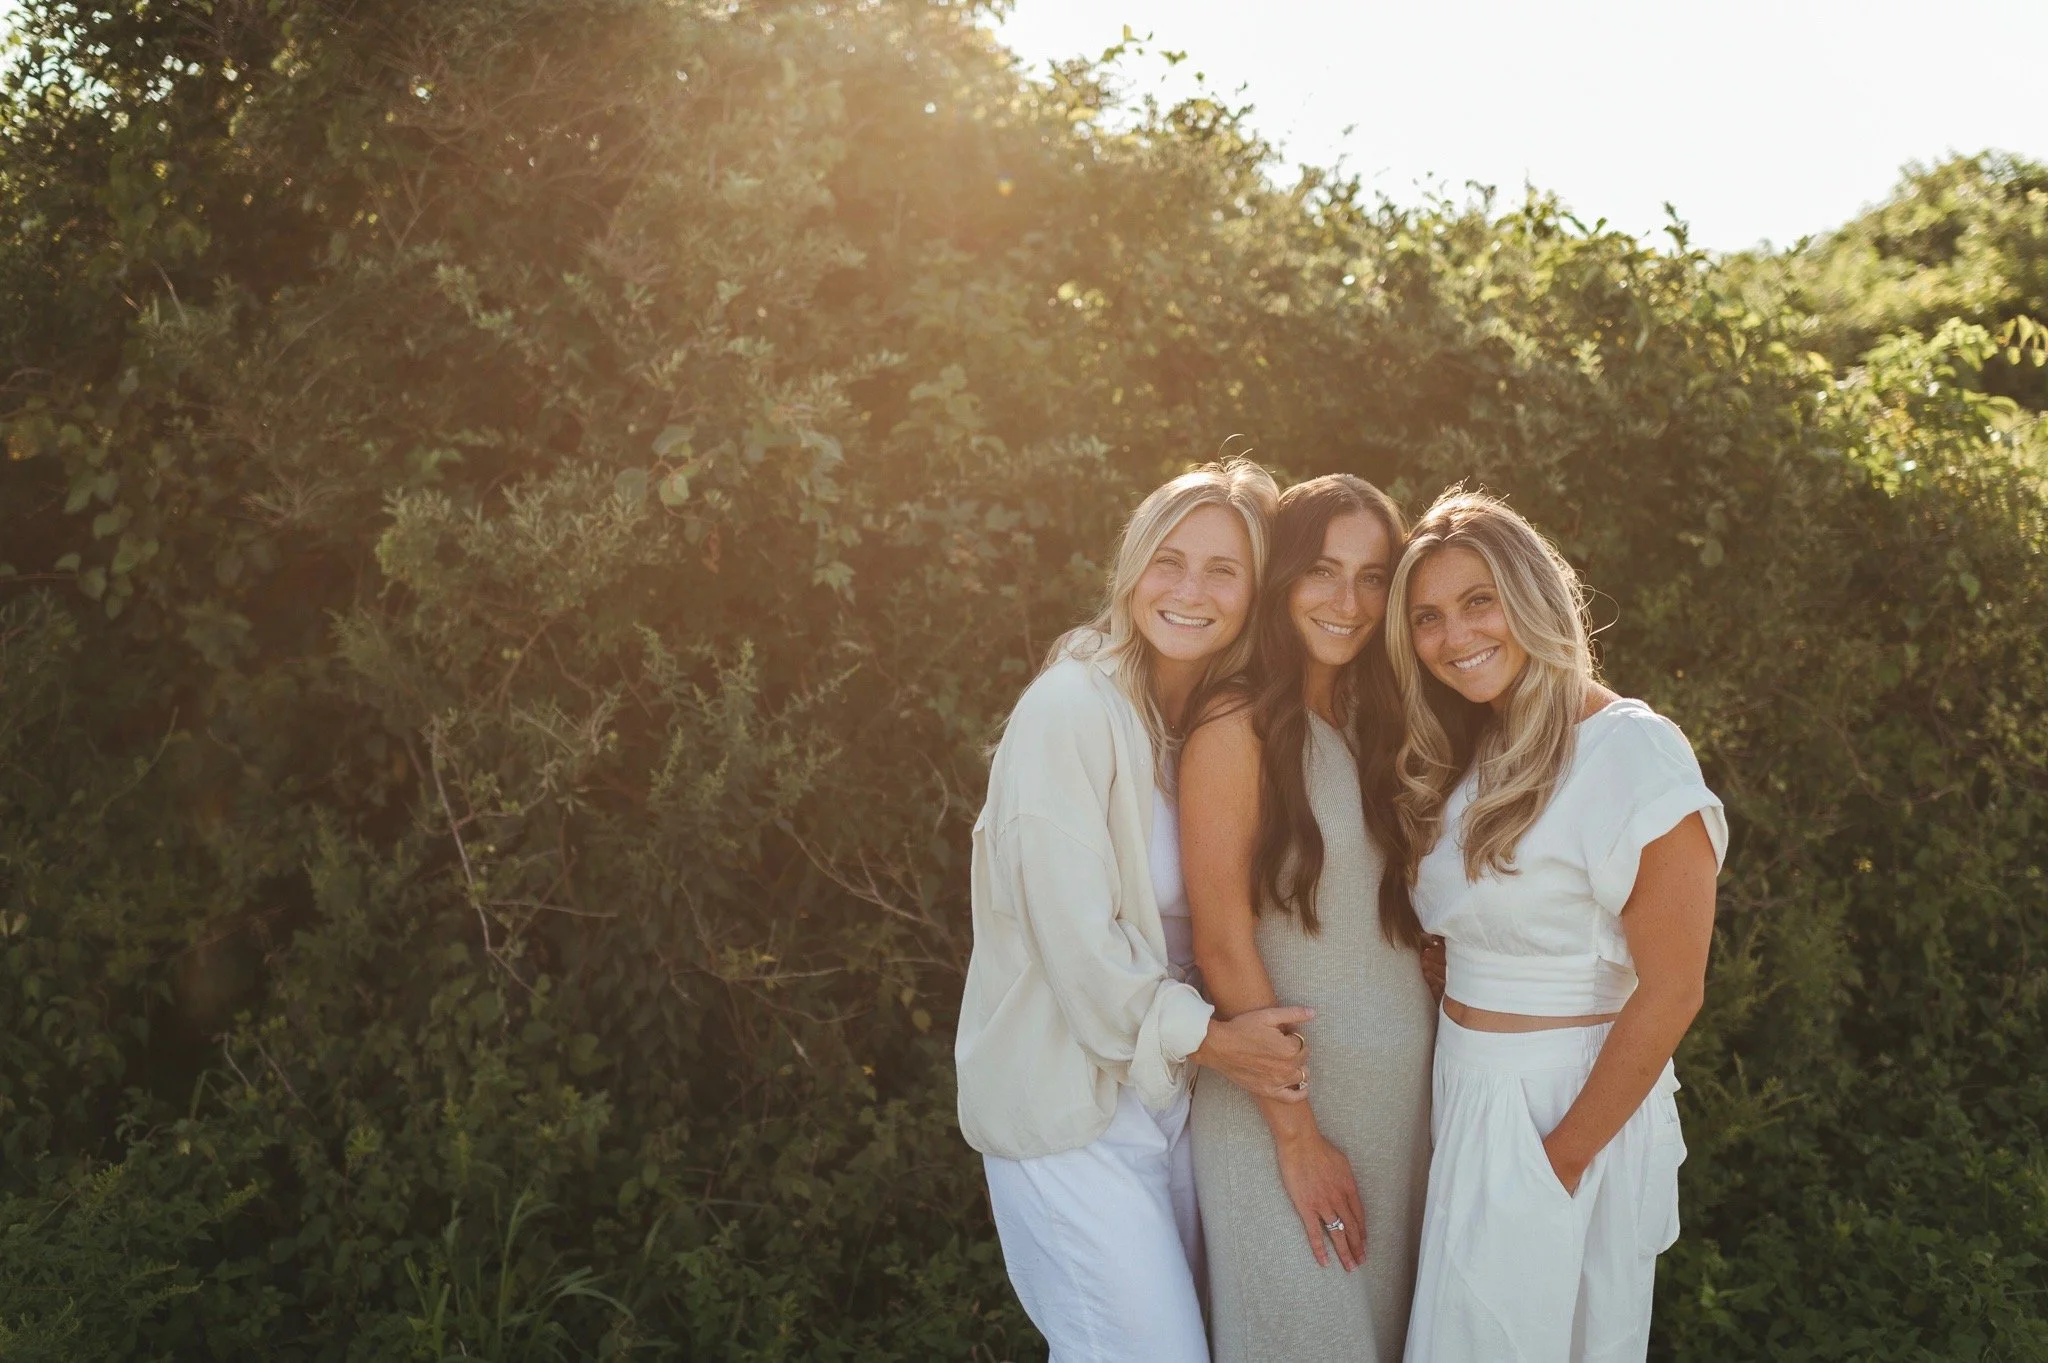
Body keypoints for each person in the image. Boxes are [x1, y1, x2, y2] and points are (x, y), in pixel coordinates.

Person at [956, 459, 1317, 1363]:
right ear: (1132, 568)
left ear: (1253, 593)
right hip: (1068, 1109)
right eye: (1170, 560)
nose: (1190, 590)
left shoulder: (1194, 724)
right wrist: (1221, 1040)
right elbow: (1077, 946)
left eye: (1223, 570)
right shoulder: (1072, 709)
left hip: (1167, 1103)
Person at [1387, 490, 1726, 1363]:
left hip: (1560, 1103)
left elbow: (1674, 986)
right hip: (1466, 1089)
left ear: (1532, 594)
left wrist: (1561, 1159)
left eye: (1477, 600)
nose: (1454, 634)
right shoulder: (1478, 748)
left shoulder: (1632, 750)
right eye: (1427, 617)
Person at [1182, 473, 1441, 1363]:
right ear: (1283, 577)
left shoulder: (1379, 717)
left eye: (1373, 576)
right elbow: (1220, 936)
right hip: (1283, 1118)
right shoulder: (1234, 724)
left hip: (1393, 1112)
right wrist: (1298, 1136)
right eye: (1323, 571)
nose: (1347, 600)